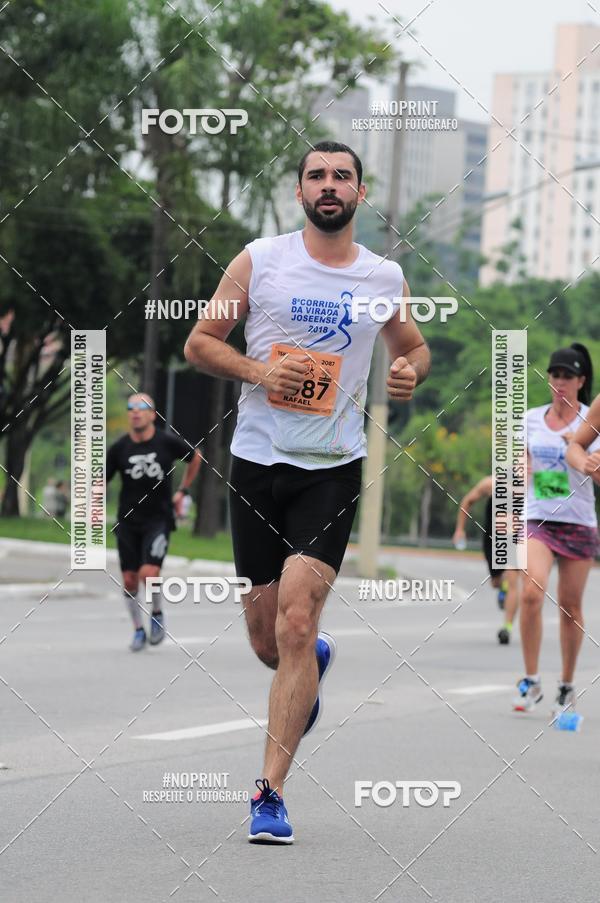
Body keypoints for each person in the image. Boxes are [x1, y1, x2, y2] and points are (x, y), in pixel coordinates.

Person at [184, 140, 431, 844]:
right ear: (300, 192)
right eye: (317, 175)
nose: (329, 185)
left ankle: (270, 792)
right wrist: (260, 373)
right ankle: (307, 663)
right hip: (258, 464)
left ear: (359, 192)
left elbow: (411, 345)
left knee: (296, 620)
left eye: (342, 176)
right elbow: (201, 342)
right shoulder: (259, 259)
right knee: (270, 640)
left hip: (333, 467)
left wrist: (410, 367)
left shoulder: (383, 275)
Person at [514, 343, 598, 715]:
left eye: (568, 376)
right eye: (555, 375)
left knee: (570, 606)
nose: (560, 382)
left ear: (581, 380)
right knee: (531, 593)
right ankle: (531, 681)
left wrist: (577, 453)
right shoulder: (530, 419)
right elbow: (518, 464)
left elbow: (593, 466)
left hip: (578, 520)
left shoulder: (590, 419)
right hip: (539, 517)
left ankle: (566, 684)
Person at [106, 394, 201, 651]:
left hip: (158, 519)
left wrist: (183, 490)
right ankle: (138, 629)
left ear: (152, 414)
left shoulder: (166, 442)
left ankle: (157, 613)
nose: (136, 412)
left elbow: (195, 457)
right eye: (131, 408)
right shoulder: (119, 449)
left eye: (142, 407)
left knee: (149, 573)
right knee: (129, 579)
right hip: (127, 522)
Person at [453, 475, 520, 644]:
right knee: (496, 583)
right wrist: (460, 529)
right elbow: (467, 501)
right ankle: (501, 587)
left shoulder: (528, 486)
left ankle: (507, 627)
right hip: (492, 540)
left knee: (513, 580)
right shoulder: (490, 484)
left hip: (516, 538)